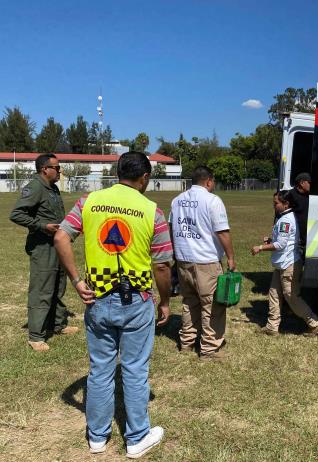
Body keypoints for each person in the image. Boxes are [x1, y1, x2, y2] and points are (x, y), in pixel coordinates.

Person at [54, 152, 173, 458]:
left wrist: (77, 281)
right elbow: (162, 266)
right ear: (144, 178)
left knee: (100, 370)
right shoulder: (152, 211)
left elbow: (60, 237)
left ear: (117, 172)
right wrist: (165, 301)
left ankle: (96, 436)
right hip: (138, 300)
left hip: (98, 297)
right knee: (134, 370)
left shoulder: (89, 202)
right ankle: (136, 438)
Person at [10, 153, 78, 352]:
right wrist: (41, 226)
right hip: (42, 247)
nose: (59, 171)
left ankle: (57, 325)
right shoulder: (35, 187)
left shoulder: (53, 188)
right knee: (42, 289)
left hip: (57, 244)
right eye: (56, 168)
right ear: (44, 169)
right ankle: (36, 336)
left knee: (58, 285)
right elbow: (16, 214)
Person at [170, 166, 236, 360]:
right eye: (213, 182)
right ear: (208, 181)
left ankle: (187, 342)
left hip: (183, 259)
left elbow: (171, 228)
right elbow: (222, 232)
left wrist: (176, 254)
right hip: (206, 261)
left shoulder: (177, 201)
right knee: (212, 305)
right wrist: (230, 257)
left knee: (189, 302)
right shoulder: (213, 201)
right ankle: (208, 348)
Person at [251, 190, 318, 336]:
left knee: (291, 297)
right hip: (282, 263)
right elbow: (283, 240)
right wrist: (271, 240)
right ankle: (272, 327)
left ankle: (315, 324)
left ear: (286, 204)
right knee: (274, 293)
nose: (274, 206)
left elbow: (281, 245)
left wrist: (260, 247)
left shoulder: (285, 220)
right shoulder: (285, 217)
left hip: (288, 264)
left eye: (276, 203)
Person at [288, 172, 311, 246]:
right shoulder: (290, 195)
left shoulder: (310, 196)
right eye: (309, 182)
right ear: (302, 183)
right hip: (295, 238)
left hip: (307, 237)